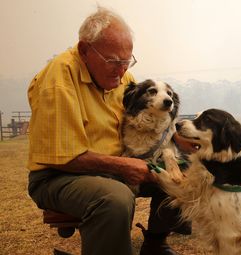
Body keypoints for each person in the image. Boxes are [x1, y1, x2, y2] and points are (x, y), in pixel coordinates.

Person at [27, 7, 190, 255]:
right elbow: (64, 158)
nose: (122, 70)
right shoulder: (59, 79)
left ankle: (155, 243)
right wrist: (124, 166)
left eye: (127, 61)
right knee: (114, 198)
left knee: (187, 174)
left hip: (116, 166)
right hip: (58, 175)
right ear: (84, 50)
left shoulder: (121, 78)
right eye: (114, 61)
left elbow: (148, 118)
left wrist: (178, 140)